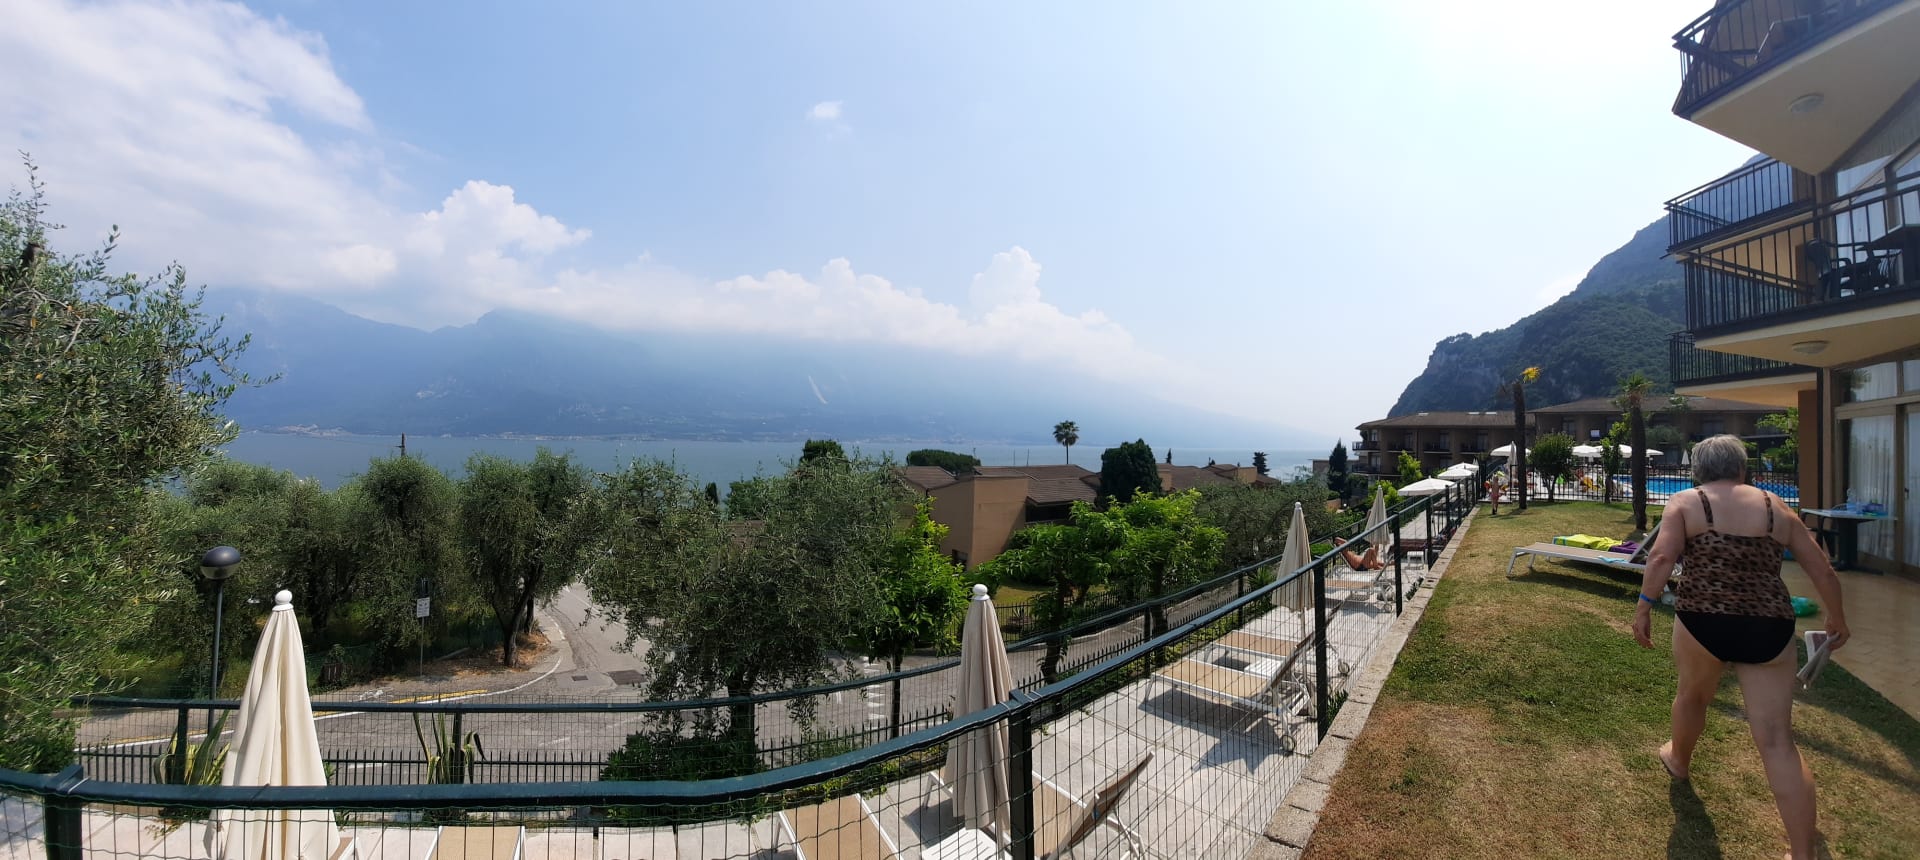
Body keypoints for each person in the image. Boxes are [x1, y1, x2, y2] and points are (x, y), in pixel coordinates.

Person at [1633, 434, 1848, 860]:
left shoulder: (1686, 502)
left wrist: (1644, 606)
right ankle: (1803, 853)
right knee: (1777, 740)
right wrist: (1837, 618)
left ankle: (1679, 760)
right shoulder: (1776, 507)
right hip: (1768, 626)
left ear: (1698, 469)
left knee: (1692, 696)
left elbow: (1660, 558)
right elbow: (1822, 568)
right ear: (1741, 468)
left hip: (1702, 620)